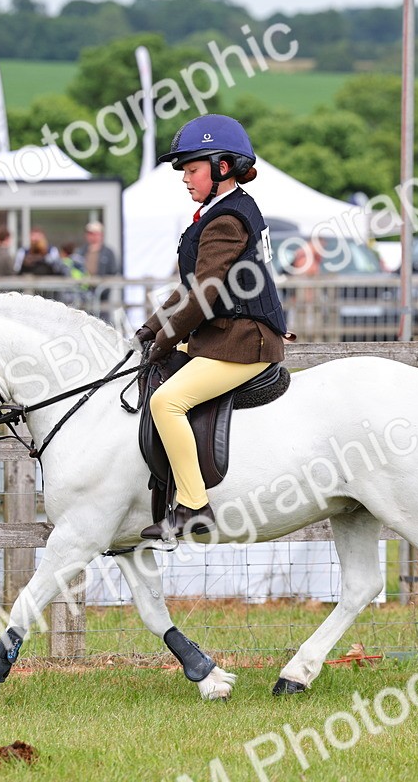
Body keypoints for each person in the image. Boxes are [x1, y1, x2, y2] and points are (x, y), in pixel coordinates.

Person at [134, 114, 289, 540]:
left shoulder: (226, 220)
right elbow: (189, 288)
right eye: (183, 171)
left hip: (242, 343)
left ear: (223, 168)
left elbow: (203, 295)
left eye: (192, 169)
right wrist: (149, 330)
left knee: (166, 403)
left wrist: (163, 342)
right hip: (226, 338)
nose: (185, 177)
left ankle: (194, 506)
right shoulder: (220, 212)